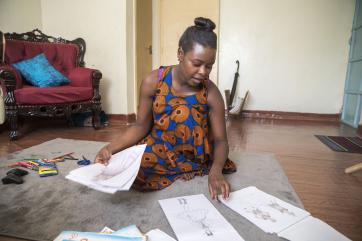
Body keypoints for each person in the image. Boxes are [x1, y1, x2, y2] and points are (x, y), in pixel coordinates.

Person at [95, 17, 236, 200]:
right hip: (160, 148)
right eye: (196, 63)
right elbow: (140, 126)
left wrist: (216, 171)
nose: (203, 72)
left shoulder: (211, 92)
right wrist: (110, 148)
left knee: (213, 163)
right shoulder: (153, 82)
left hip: (195, 156)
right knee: (127, 173)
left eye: (209, 66)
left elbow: (220, 141)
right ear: (180, 53)